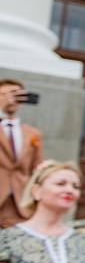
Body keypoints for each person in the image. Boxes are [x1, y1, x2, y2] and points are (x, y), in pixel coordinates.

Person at [0, 79, 44, 228]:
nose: (12, 98)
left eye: (17, 94)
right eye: (5, 94)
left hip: (19, 204)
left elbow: (36, 169)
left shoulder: (32, 133)